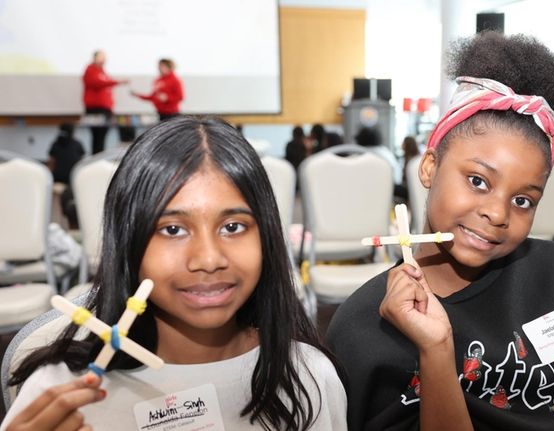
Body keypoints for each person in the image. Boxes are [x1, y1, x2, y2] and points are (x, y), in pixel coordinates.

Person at [326, 32, 554, 430]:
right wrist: (437, 350)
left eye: (523, 200)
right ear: (428, 167)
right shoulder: (363, 329)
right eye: (477, 180)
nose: (497, 213)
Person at [1, 116, 346, 431]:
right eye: (172, 230)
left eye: (232, 226)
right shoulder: (57, 394)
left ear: (267, 236)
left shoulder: (308, 377)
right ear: (128, 241)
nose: (208, 259)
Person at [82, 50, 128, 154]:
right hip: (95, 109)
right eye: (101, 57)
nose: (104, 59)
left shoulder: (102, 71)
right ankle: (96, 158)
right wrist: (117, 81)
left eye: (104, 57)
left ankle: (99, 157)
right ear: (94, 58)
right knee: (97, 135)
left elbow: (106, 85)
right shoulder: (90, 70)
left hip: (105, 109)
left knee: (102, 135)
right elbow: (97, 83)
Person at [47, 123, 85, 228]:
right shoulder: (78, 144)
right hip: (72, 180)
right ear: (73, 132)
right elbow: (81, 164)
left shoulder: (55, 144)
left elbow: (51, 163)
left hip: (58, 179)